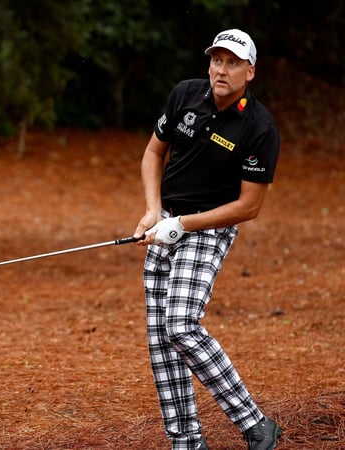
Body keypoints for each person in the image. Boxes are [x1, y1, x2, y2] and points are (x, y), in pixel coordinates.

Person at [133, 29, 282, 450]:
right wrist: (152, 211)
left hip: (209, 227)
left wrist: (184, 224)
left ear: (250, 71)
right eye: (217, 60)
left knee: (180, 324)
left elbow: (249, 207)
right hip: (164, 222)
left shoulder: (259, 128)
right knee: (161, 338)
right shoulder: (184, 95)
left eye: (233, 62)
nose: (222, 69)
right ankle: (186, 442)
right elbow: (152, 152)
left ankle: (255, 423)